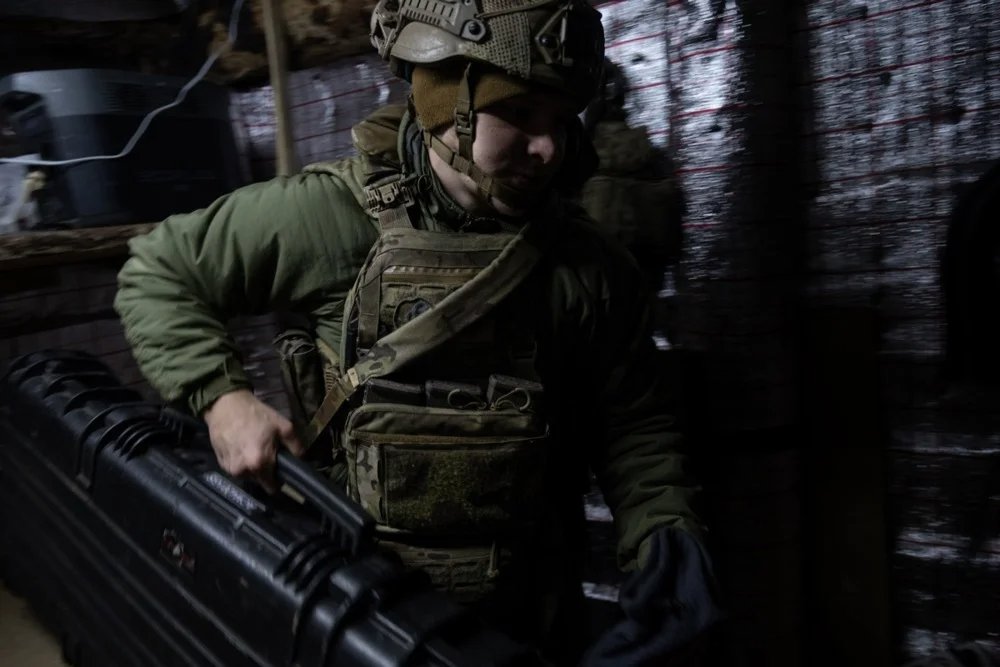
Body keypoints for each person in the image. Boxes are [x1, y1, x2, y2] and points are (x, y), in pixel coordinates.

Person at [115, 0, 721, 664]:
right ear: (442, 100)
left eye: (559, 119)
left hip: (524, 620)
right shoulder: (328, 217)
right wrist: (223, 399)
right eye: (518, 112)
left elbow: (634, 424)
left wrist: (665, 530)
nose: (546, 148)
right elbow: (159, 271)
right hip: (354, 610)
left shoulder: (589, 265)